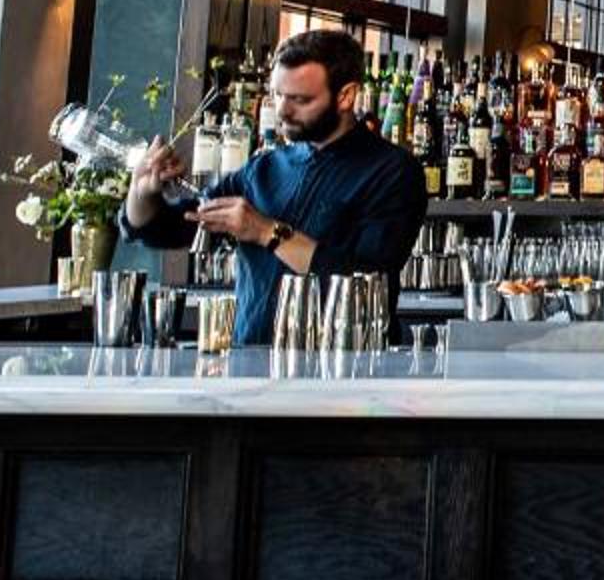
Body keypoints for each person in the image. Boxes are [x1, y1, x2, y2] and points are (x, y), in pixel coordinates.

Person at [122, 28, 427, 346]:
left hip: (339, 363)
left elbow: (367, 284)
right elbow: (167, 228)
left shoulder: (393, 171)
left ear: (346, 96)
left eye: (300, 99)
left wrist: (267, 232)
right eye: (278, 95)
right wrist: (142, 191)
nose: (282, 110)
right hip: (248, 358)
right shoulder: (263, 168)